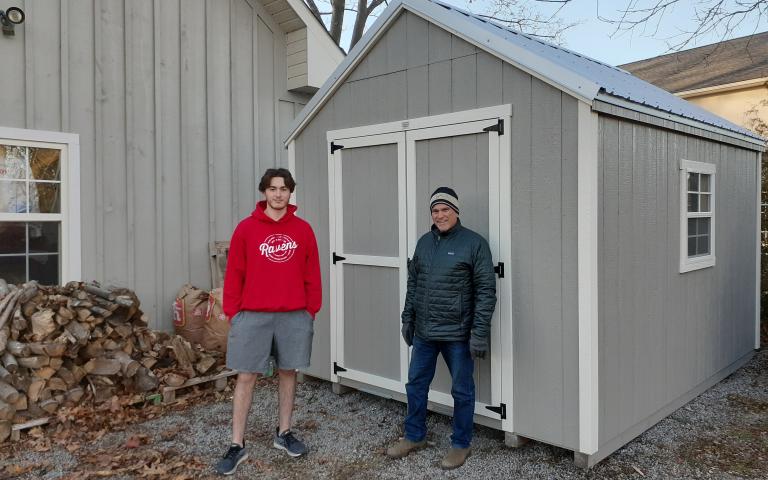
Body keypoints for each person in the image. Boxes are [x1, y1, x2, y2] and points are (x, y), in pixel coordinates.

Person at [214, 168, 321, 476]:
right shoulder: (246, 229)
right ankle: (237, 444)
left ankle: (284, 433)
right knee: (246, 376)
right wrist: (234, 312)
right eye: (273, 188)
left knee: (289, 372)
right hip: (253, 315)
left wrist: (311, 308)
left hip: (294, 314)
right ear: (264, 192)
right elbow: (234, 272)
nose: (278, 194)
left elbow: (312, 272)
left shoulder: (303, 230)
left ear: (290, 193)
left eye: (284, 189)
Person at [386, 186, 496, 470]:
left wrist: (479, 333)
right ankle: (414, 436)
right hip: (424, 332)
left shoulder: (474, 243)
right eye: (435, 210)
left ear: (456, 211)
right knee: (416, 385)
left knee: (461, 390)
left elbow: (486, 290)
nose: (440, 215)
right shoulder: (423, 243)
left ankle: (461, 444)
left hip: (458, 335)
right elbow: (414, 283)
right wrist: (407, 317)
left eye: (445, 209)